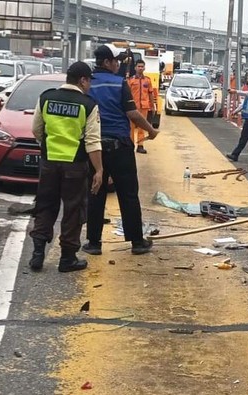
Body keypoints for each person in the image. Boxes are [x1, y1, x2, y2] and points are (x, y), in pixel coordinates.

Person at [82, 44, 159, 256]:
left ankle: (94, 243)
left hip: (94, 148)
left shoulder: (87, 83)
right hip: (119, 147)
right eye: (116, 61)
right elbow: (133, 114)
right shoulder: (119, 83)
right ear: (107, 62)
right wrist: (151, 131)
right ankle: (136, 242)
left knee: (95, 193)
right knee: (128, 194)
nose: (118, 65)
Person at [28, 61, 103, 273]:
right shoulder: (88, 104)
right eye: (88, 81)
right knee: (73, 210)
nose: (89, 86)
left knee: (45, 206)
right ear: (82, 80)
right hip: (75, 166)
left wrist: (48, 146)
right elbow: (92, 141)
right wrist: (99, 170)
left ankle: (38, 254)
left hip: (49, 163)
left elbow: (36, 130)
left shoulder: (46, 97)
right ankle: (67, 258)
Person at [127, 59, 156, 154]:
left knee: (142, 127)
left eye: (142, 66)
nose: (140, 68)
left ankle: (140, 145)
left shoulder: (147, 80)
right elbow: (127, 94)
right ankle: (130, 145)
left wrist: (152, 106)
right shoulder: (131, 80)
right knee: (131, 127)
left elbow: (150, 93)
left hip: (144, 107)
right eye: (138, 66)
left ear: (144, 68)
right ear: (135, 68)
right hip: (132, 107)